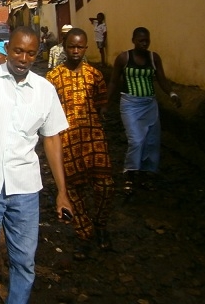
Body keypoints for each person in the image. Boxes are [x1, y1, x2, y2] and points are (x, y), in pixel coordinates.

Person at [0, 26, 73, 304]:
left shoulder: (45, 90)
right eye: (18, 50)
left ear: (37, 55)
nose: (23, 58)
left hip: (25, 189)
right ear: (7, 49)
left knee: (24, 262)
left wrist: (62, 191)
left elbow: (52, 140)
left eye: (30, 53)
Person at [46, 28, 114, 258]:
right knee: (73, 190)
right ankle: (83, 233)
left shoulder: (95, 75)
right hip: (66, 140)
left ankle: (102, 225)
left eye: (80, 47)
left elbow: (102, 102)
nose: (75, 51)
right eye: (71, 46)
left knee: (105, 185)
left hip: (94, 137)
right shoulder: (53, 77)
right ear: (64, 47)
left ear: (86, 48)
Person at [106, 27, 182, 195]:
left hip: (149, 104)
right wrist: (105, 102)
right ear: (133, 40)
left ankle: (147, 174)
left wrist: (172, 93)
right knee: (137, 140)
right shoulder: (124, 58)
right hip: (130, 104)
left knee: (152, 141)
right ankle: (130, 174)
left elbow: (161, 78)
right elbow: (113, 82)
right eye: (140, 40)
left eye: (147, 40)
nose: (144, 43)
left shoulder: (154, 58)